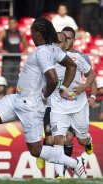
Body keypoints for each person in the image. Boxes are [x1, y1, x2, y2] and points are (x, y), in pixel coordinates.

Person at [0, 18, 89, 179]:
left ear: (38, 33)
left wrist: (46, 94)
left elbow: (53, 78)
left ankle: (75, 163)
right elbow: (71, 66)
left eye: (32, 31)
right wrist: (64, 88)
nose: (30, 35)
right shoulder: (52, 49)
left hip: (31, 106)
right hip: (17, 99)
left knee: (35, 151)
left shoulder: (43, 52)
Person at [37, 28, 96, 178]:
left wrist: (85, 86)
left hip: (78, 104)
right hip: (57, 105)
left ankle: (88, 140)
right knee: (58, 139)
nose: (57, 45)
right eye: (55, 42)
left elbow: (91, 74)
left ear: (67, 43)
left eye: (61, 42)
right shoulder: (47, 59)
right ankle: (59, 177)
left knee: (82, 140)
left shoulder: (77, 58)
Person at [0, 16, 28, 94]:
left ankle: (9, 97)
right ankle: (5, 97)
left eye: (13, 23)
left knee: (14, 80)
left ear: (16, 24)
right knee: (6, 80)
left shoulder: (20, 33)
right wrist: (2, 51)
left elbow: (26, 45)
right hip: (7, 60)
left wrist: (24, 52)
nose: (11, 25)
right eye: (10, 23)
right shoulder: (4, 32)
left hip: (17, 59)